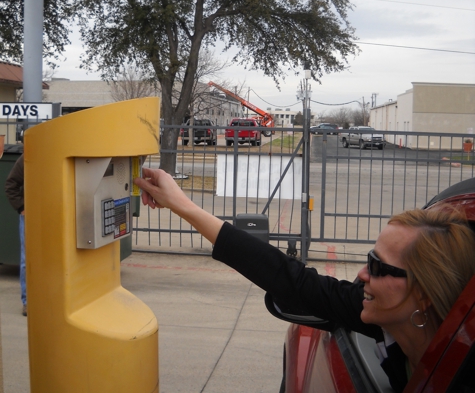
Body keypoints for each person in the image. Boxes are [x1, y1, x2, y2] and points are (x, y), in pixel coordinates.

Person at [133, 168, 475, 392]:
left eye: (378, 266)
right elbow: (289, 278)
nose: (361, 274)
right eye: (368, 259)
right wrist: (182, 205)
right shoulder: (377, 314)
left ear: (425, 293)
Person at [5, 154, 27, 316]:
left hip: (53, 215)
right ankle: (27, 302)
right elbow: (10, 184)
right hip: (30, 217)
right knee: (27, 260)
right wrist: (21, 207)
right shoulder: (27, 158)